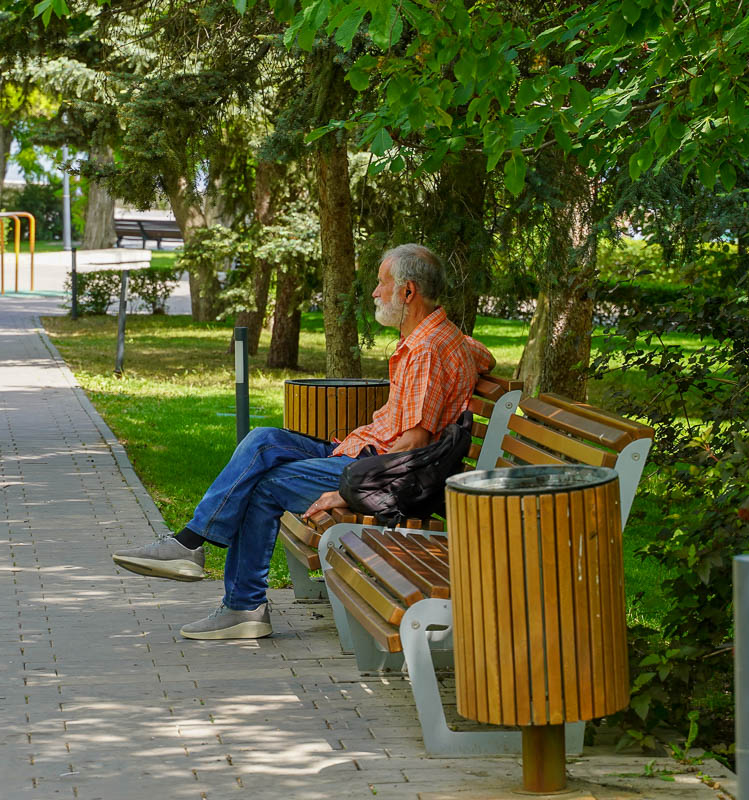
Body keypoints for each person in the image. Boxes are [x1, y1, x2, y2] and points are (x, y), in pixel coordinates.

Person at [111, 243, 495, 640]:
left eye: (382, 284)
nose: (375, 293)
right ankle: (193, 547)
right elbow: (483, 357)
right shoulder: (442, 336)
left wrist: (348, 494)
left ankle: (238, 602)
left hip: (372, 471)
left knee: (264, 486)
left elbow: (412, 447)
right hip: (356, 449)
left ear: (408, 292)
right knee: (262, 441)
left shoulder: (427, 350)